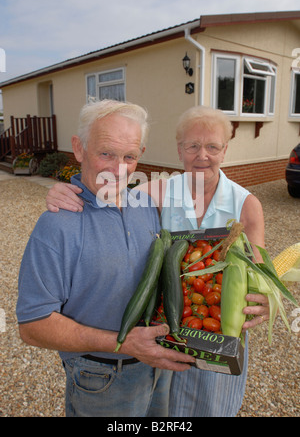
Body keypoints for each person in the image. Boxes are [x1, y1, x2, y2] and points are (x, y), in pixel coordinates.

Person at [45, 105, 270, 417]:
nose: (202, 155)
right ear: (179, 149)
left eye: (212, 146)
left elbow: (260, 277)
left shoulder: (247, 204)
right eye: (192, 145)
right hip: (172, 331)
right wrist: (64, 191)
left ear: (225, 150)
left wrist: (264, 301)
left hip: (220, 332)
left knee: (212, 409)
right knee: (168, 411)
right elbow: (107, 194)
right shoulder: (157, 192)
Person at [16, 99, 195, 418]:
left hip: (158, 366)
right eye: (106, 153)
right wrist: (124, 343)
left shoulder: (144, 204)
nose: (118, 169)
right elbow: (33, 324)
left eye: (129, 156)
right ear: (79, 148)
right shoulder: (58, 223)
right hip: (102, 379)